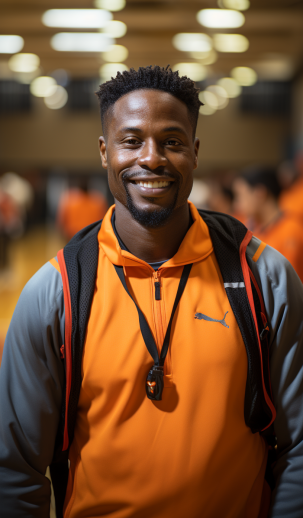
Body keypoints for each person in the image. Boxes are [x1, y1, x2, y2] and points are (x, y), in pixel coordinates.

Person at [0, 66, 303, 518]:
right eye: (131, 140)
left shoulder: (265, 277)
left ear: (195, 153)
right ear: (105, 153)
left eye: (173, 142)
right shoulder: (56, 292)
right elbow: (15, 470)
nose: (152, 158)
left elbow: (298, 445)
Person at [233, 166, 303, 281]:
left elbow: (285, 284)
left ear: (260, 193)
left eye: (240, 196)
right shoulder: (252, 230)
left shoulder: (292, 230)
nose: (236, 205)